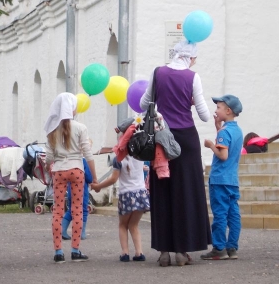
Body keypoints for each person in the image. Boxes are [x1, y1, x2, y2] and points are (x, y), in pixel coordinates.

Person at [139, 40, 211, 267]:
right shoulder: (193, 77)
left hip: (161, 137)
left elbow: (144, 104)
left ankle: (163, 251)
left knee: (162, 192)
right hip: (186, 140)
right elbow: (205, 115)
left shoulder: (158, 72)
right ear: (189, 58)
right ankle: (182, 250)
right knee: (186, 193)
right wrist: (188, 101)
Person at [44, 92, 98, 263]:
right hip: (77, 170)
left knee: (58, 211)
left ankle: (58, 252)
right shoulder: (81, 128)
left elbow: (49, 158)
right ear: (72, 108)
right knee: (77, 209)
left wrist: (48, 167)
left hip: (59, 170)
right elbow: (88, 154)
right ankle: (75, 250)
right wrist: (95, 178)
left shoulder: (53, 130)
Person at [202, 95, 243, 260]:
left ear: (228, 110)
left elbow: (223, 155)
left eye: (219, 107)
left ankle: (219, 248)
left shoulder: (224, 133)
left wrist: (211, 145)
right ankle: (232, 247)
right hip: (232, 180)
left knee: (220, 214)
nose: (215, 110)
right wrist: (218, 127)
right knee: (233, 214)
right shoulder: (237, 130)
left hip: (220, 180)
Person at [91, 154, 149, 262]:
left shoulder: (118, 159)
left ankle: (125, 253)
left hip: (126, 195)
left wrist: (98, 186)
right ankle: (139, 252)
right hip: (141, 194)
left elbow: (113, 179)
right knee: (134, 225)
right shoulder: (140, 155)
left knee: (123, 225)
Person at [61, 157, 92, 240]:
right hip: (82, 190)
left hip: (70, 189)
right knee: (83, 210)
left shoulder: (68, 160)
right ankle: (81, 233)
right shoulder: (82, 160)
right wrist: (92, 180)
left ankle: (62, 230)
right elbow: (88, 177)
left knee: (71, 210)